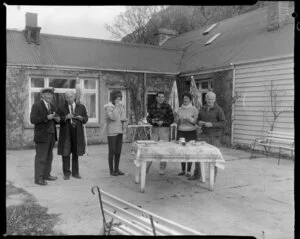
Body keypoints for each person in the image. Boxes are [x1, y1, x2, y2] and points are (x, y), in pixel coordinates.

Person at [188, 91, 225, 181]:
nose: (210, 101)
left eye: (212, 99)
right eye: (208, 99)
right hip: (203, 135)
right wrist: (199, 122)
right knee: (198, 154)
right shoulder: (202, 108)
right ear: (205, 99)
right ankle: (197, 175)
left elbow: (223, 123)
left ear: (215, 99)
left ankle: (213, 176)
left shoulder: (219, 110)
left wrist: (212, 124)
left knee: (213, 156)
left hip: (214, 136)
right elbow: (198, 120)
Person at [30, 87, 60, 186]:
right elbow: (33, 119)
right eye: (47, 94)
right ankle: (38, 178)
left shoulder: (52, 105)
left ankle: (46, 175)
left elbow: (55, 118)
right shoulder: (37, 105)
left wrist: (56, 119)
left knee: (49, 157)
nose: (49, 96)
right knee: (41, 157)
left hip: (51, 135)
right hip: (42, 136)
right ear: (43, 95)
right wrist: (46, 117)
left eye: (51, 94)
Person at [57, 91, 88, 180]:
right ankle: (66, 173)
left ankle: (75, 173)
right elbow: (57, 119)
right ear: (65, 98)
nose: (69, 99)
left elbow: (86, 118)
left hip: (77, 132)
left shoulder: (81, 107)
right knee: (65, 153)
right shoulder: (61, 107)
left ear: (74, 97)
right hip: (66, 132)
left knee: (76, 152)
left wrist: (81, 118)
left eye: (70, 97)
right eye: (67, 97)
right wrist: (66, 117)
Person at [147, 91, 174, 175]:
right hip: (154, 129)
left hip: (164, 129)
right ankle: (146, 168)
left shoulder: (167, 107)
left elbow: (171, 119)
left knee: (164, 149)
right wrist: (152, 121)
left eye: (162, 97)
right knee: (151, 149)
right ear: (156, 97)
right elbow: (148, 118)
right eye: (159, 97)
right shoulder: (151, 106)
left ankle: (162, 169)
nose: (161, 98)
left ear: (164, 98)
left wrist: (164, 122)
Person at [174, 92, 199, 177]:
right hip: (181, 131)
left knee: (190, 150)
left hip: (191, 132)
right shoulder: (179, 109)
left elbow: (196, 122)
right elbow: (176, 122)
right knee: (182, 150)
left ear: (190, 100)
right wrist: (177, 119)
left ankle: (188, 171)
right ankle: (183, 170)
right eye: (184, 98)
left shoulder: (194, 109)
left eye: (187, 98)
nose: (185, 100)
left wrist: (190, 119)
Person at [104, 90, 128, 176]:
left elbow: (124, 117)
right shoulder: (108, 107)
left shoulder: (121, 106)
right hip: (112, 132)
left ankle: (117, 169)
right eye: (117, 99)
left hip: (120, 131)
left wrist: (125, 124)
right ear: (113, 99)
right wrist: (116, 107)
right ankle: (111, 171)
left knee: (118, 152)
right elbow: (113, 117)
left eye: (120, 99)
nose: (118, 101)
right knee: (112, 152)